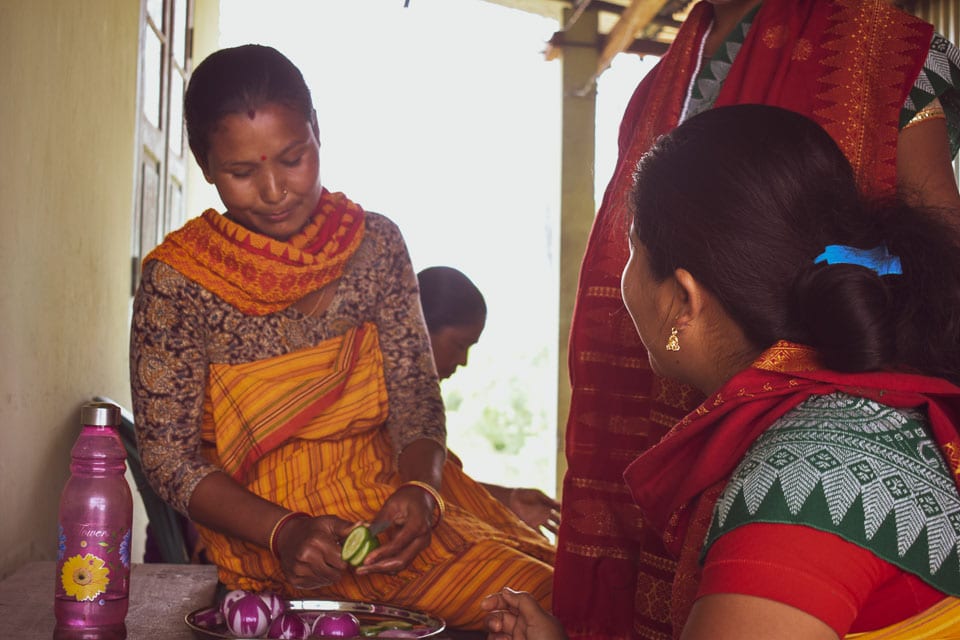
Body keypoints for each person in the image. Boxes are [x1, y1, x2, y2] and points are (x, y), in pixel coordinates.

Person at [555, 2, 960, 637]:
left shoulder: (801, 483)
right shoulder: (850, 432)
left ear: (684, 301)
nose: (613, 281)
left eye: (628, 251)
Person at [128, 44, 552, 629]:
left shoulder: (374, 246)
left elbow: (416, 403)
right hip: (270, 545)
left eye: (293, 158)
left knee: (565, 591)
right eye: (242, 172)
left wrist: (422, 492)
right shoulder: (178, 282)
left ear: (317, 133)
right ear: (205, 166)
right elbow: (168, 461)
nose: (275, 191)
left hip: (394, 520)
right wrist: (283, 530)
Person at [417, 265, 562, 537]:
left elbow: (444, 486)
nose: (463, 361)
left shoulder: (423, 403)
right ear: (419, 330)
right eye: (460, 345)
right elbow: (413, 493)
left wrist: (508, 500)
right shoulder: (374, 398)